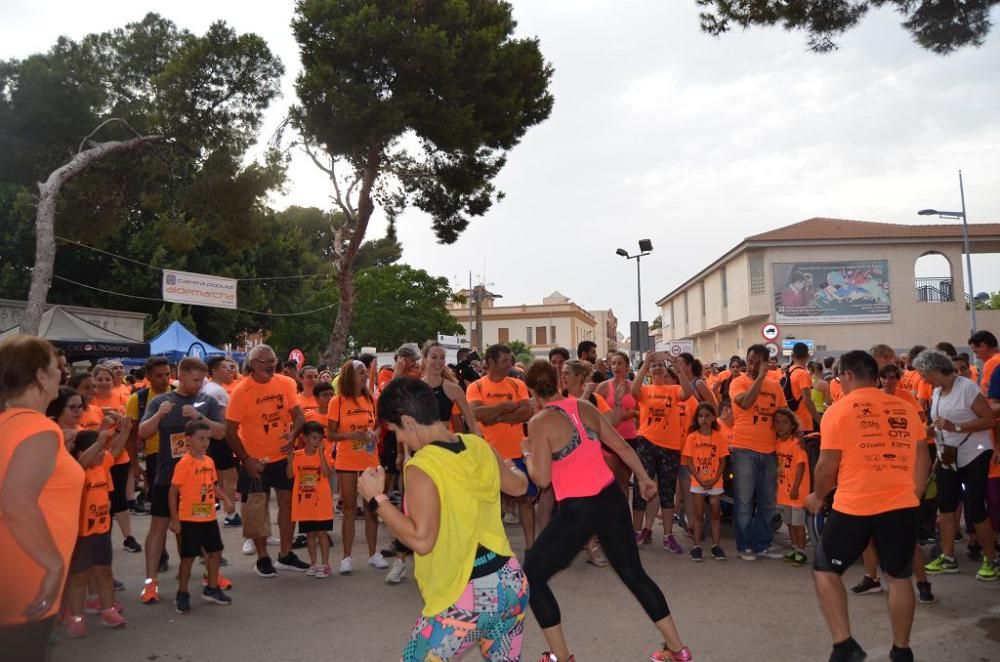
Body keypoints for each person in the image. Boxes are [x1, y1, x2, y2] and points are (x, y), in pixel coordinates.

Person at [522, 360, 693, 662]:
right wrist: (642, 477)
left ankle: (561, 657)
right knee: (634, 574)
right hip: (610, 498)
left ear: (531, 389)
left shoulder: (539, 422)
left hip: (578, 508)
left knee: (532, 577)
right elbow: (623, 448)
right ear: (557, 380)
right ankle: (678, 650)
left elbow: (542, 479)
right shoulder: (583, 406)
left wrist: (528, 455)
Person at [358, 377, 530, 662]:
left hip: (465, 595)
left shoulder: (422, 466)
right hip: (510, 583)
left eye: (395, 430)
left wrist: (378, 500)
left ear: (408, 421)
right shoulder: (476, 445)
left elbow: (422, 541)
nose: (399, 439)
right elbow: (520, 486)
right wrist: (516, 460)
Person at [806, 350, 929, 662]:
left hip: (854, 505)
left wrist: (819, 497)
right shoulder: (906, 408)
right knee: (900, 577)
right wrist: (911, 496)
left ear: (848, 375)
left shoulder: (839, 410)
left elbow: (826, 466)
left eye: (839, 377)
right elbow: (922, 460)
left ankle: (844, 644)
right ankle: (902, 650)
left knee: (824, 569)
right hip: (901, 505)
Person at [0, 336, 85, 660]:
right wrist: (52, 565)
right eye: (56, 368)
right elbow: (17, 501)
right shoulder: (39, 429)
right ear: (39, 376)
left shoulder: (10, 423)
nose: (62, 374)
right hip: (28, 577)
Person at [138, 357, 229, 603]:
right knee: (159, 528)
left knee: (201, 529)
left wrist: (201, 417)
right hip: (168, 475)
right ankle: (150, 583)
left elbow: (220, 433)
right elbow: (142, 433)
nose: (200, 385)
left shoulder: (207, 402)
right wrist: (158, 416)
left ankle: (209, 577)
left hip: (199, 480)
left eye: (203, 380)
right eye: (196, 380)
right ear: (182, 376)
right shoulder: (161, 401)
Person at [850, 363, 936, 604]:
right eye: (884, 378)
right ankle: (871, 577)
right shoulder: (870, 401)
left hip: (900, 477)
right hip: (872, 475)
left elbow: (919, 437)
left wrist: (918, 486)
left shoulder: (906, 400)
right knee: (866, 535)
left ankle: (923, 583)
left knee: (906, 538)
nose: (889, 382)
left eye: (892, 378)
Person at [914, 350, 998, 581]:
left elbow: (989, 420)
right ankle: (948, 557)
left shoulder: (967, 388)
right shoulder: (937, 391)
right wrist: (932, 429)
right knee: (946, 507)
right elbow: (939, 421)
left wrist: (956, 427)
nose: (923, 379)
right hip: (947, 455)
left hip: (975, 454)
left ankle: (991, 559)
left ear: (934, 369)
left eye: (923, 374)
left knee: (975, 507)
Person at [226, 344, 309, 577]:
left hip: (283, 458)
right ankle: (263, 558)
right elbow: (230, 431)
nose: (271, 365)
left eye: (273, 360)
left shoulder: (286, 383)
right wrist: (246, 459)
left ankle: (285, 554)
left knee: (288, 505)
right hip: (255, 461)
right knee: (256, 511)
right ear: (252, 364)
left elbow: (299, 416)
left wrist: (293, 437)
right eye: (264, 361)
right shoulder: (241, 392)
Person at [63, 425, 132, 636]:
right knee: (80, 577)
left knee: (104, 571)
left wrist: (126, 430)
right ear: (84, 451)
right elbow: (82, 462)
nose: (103, 453)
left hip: (101, 531)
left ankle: (108, 609)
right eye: (99, 449)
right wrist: (99, 442)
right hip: (82, 534)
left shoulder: (102, 467)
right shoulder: (77, 470)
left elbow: (116, 449)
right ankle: (76, 617)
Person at [466, 344, 535, 547]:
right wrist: (506, 406)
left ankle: (531, 545)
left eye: (510, 360)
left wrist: (495, 417)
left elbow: (526, 412)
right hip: (489, 453)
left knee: (525, 500)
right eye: (504, 360)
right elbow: (476, 414)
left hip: (517, 452)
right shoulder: (476, 386)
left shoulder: (517, 384)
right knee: (491, 503)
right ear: (490, 363)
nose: (509, 365)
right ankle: (494, 547)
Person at [728, 344, 787, 561]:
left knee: (768, 501)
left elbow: (783, 413)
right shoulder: (739, 381)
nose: (751, 365)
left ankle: (762, 543)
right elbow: (745, 403)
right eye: (749, 360)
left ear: (765, 362)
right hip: (744, 449)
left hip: (770, 450)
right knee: (744, 500)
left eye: (756, 361)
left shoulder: (776, 386)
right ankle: (744, 545)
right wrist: (760, 379)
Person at [169, 419, 233, 613]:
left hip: (208, 517)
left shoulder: (209, 461)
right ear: (187, 440)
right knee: (188, 558)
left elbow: (212, 486)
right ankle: (182, 593)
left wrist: (226, 499)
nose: (205, 442)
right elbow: (173, 492)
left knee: (215, 552)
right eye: (200, 438)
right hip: (189, 519)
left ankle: (212, 588)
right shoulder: (184, 463)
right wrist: (175, 519)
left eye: (207, 438)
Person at [327, 358, 383, 574]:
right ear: (350, 375)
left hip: (370, 460)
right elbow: (330, 434)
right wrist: (351, 434)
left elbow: (378, 426)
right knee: (349, 509)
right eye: (361, 372)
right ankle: (346, 557)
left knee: (371, 509)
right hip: (347, 461)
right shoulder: (337, 401)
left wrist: (374, 435)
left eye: (365, 372)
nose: (365, 375)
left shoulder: (372, 399)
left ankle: (373, 554)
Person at [286, 421, 334, 578]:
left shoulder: (325, 454)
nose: (317, 441)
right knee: (310, 535)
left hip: (321, 502)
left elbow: (327, 474)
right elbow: (289, 475)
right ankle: (313, 564)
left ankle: (325, 564)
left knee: (322, 533)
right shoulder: (298, 456)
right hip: (305, 503)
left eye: (320, 438)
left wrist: (320, 453)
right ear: (305, 438)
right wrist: (289, 460)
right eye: (313, 437)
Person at [682, 402, 728, 562]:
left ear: (714, 417)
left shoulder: (719, 437)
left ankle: (716, 546)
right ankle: (696, 546)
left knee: (715, 514)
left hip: (715, 482)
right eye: (701, 416)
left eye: (707, 416)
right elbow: (689, 461)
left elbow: (722, 461)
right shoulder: (692, 437)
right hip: (698, 481)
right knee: (698, 514)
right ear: (697, 418)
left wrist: (714, 479)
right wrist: (700, 479)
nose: (704, 419)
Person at [200, 356, 239, 526]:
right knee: (230, 476)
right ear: (214, 371)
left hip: (211, 437)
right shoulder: (216, 391)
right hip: (218, 437)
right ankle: (230, 515)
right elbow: (223, 419)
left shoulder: (211, 388)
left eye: (231, 367)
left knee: (216, 477)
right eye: (225, 367)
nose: (230, 370)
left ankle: (214, 510)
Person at [595, 351, 639, 491]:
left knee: (624, 482)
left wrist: (633, 414)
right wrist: (625, 414)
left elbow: (641, 411)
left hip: (630, 438)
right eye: (613, 363)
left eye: (620, 363)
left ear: (627, 367)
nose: (616, 366)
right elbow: (594, 412)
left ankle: (623, 513)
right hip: (609, 438)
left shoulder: (634, 386)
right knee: (608, 483)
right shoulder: (603, 387)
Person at [773, 408, 809, 567]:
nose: (781, 426)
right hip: (783, 492)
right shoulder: (778, 443)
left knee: (798, 523)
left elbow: (801, 466)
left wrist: (795, 487)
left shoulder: (796, 443)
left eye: (785, 423)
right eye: (778, 422)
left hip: (797, 492)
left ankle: (801, 551)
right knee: (788, 523)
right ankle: (794, 548)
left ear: (792, 425)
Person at [786, 342, 821, 434]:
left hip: (792, 418)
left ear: (792, 355)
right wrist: (819, 419)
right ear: (807, 355)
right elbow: (807, 400)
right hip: (804, 421)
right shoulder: (803, 373)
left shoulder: (789, 371)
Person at [970, 330, 1000, 394]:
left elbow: (988, 392)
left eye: (976, 352)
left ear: (983, 346)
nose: (977, 357)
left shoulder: (992, 362)